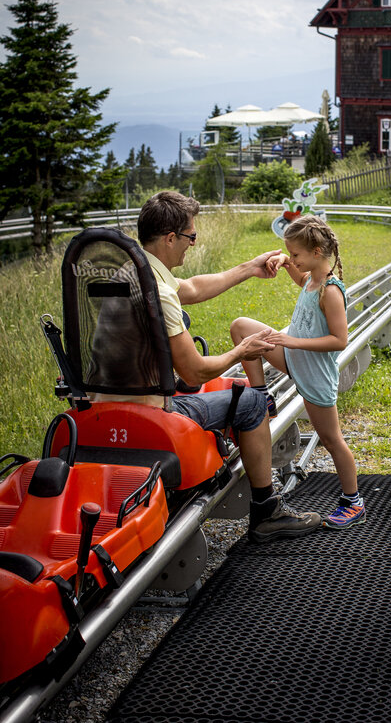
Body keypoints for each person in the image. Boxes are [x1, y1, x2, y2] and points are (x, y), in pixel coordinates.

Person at [133, 191, 322, 543]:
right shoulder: (157, 293)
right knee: (251, 402)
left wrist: (250, 268)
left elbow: (190, 288)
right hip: (151, 410)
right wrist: (243, 350)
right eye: (190, 236)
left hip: (101, 405)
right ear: (171, 238)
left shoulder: (133, 273)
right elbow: (194, 372)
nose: (192, 244)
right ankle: (266, 511)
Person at [230, 215, 366, 529]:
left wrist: (293, 339)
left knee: (332, 440)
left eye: (296, 255)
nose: (292, 259)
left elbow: (340, 340)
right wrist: (283, 260)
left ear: (317, 253)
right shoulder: (310, 278)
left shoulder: (330, 291)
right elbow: (298, 277)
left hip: (314, 376)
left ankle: (353, 502)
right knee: (242, 327)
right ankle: (261, 395)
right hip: (293, 360)